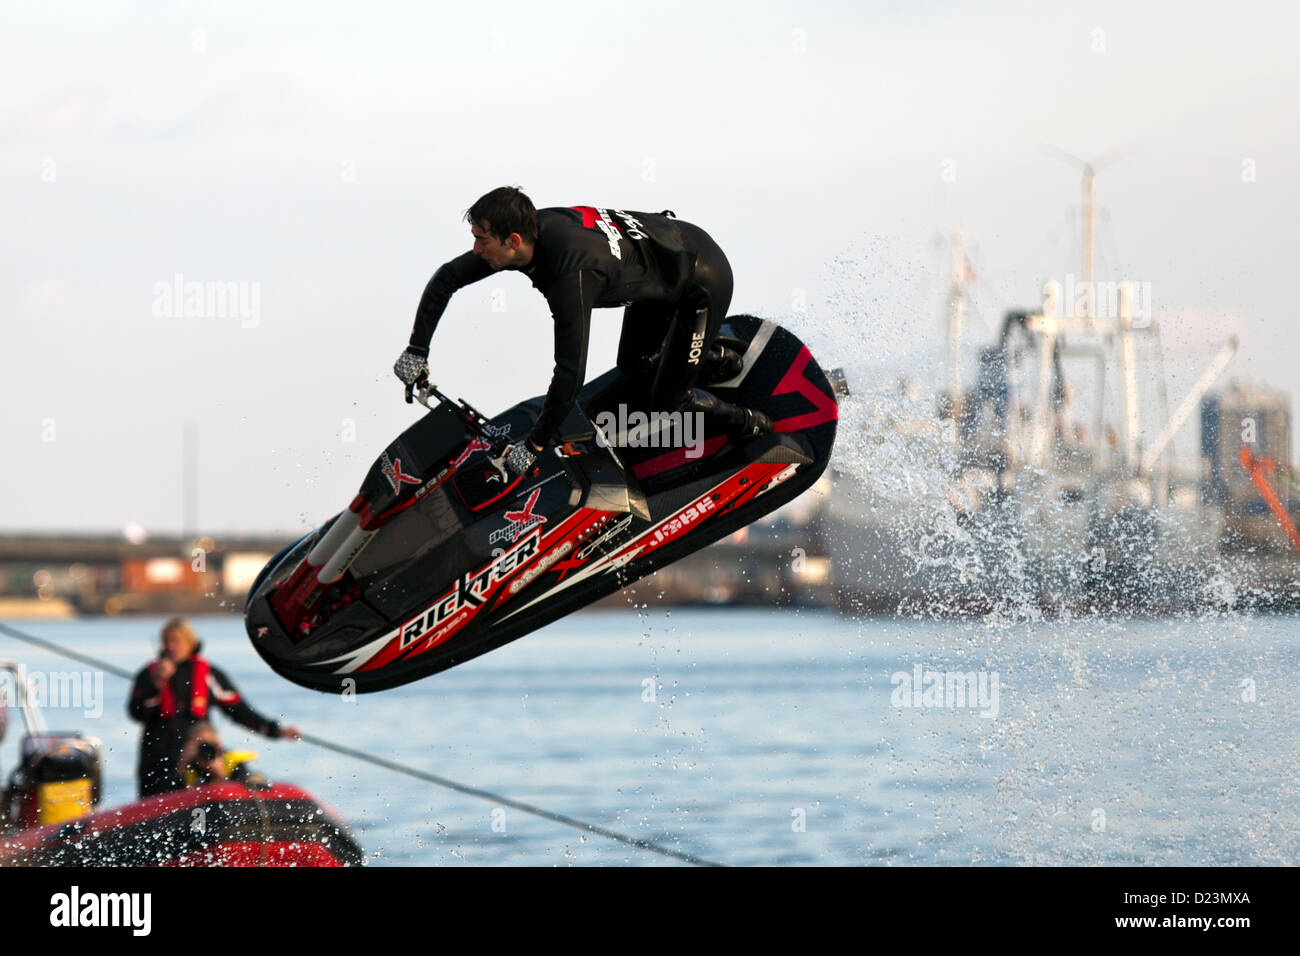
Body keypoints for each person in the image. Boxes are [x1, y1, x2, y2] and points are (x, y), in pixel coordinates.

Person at [392, 187, 773, 478]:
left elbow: (571, 373)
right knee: (636, 363)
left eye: (481, 240)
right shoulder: (527, 230)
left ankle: (749, 421)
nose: (475, 250)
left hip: (700, 280)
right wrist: (416, 349)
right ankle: (715, 357)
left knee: (669, 400)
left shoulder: (568, 274)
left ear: (513, 242)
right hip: (658, 270)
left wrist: (536, 443)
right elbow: (447, 277)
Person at [127, 618, 300, 798]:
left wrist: (276, 730)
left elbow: (239, 711)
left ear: (190, 642)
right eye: (166, 641)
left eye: (176, 641)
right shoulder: (148, 675)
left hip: (200, 754)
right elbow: (136, 712)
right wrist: (157, 683)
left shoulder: (208, 674)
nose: (171, 646)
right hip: (158, 760)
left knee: (232, 768)